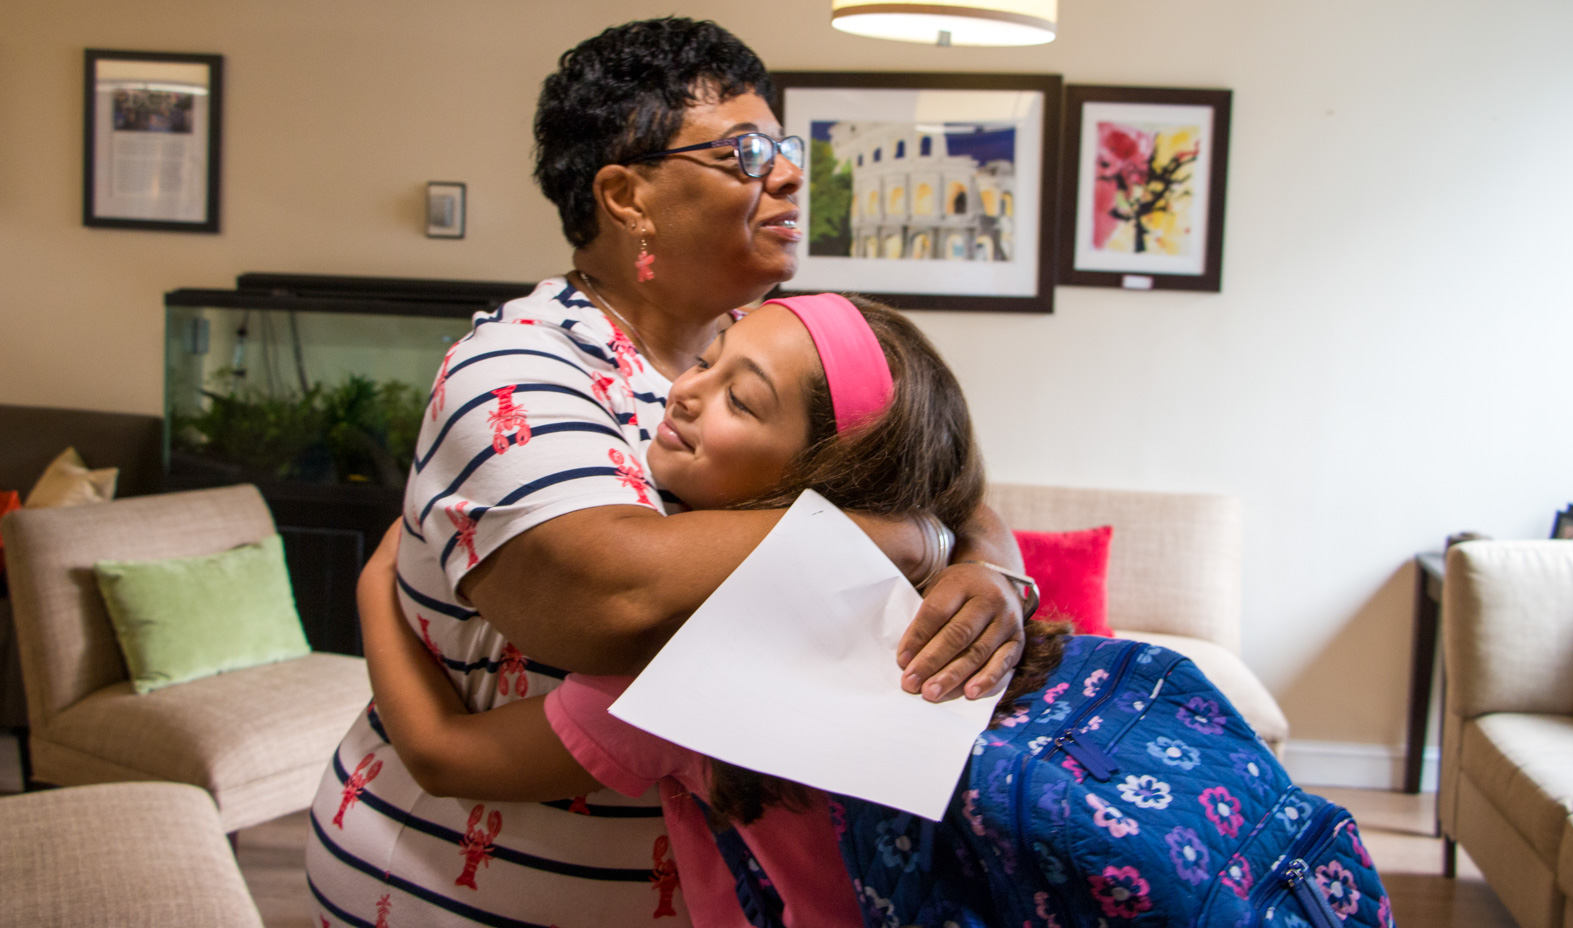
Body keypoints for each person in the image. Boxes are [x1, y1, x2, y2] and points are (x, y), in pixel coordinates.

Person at [304, 18, 1030, 928]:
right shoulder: (523, 365)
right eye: (744, 151)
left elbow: (921, 473)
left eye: (784, 145)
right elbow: (607, 597)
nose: (792, 173)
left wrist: (989, 565)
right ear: (626, 196)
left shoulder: (758, 340)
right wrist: (891, 538)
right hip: (441, 890)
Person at [354, 294, 1072, 927]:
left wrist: (375, 586)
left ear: (820, 478)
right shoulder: (930, 591)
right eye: (705, 361)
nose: (688, 392)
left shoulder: (698, 654)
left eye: (743, 401)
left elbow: (446, 756)